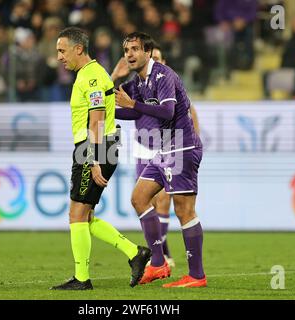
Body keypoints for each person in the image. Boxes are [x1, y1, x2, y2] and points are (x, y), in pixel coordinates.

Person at [51, 27, 151, 291]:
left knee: (77, 215)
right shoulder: (92, 74)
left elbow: (96, 119)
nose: (59, 57)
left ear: (78, 49)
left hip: (94, 148)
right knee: (85, 217)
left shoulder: (91, 77)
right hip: (98, 147)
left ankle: (82, 279)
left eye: (62, 50)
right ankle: (134, 253)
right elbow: (102, 104)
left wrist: (93, 159)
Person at [114, 32, 206, 288]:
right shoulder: (139, 81)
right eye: (126, 50)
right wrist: (109, 109)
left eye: (134, 49)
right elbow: (127, 109)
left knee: (184, 210)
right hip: (164, 151)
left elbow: (166, 111)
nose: (129, 54)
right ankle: (158, 263)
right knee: (139, 198)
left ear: (147, 51)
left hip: (182, 147)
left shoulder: (164, 75)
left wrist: (133, 104)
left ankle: (197, 276)